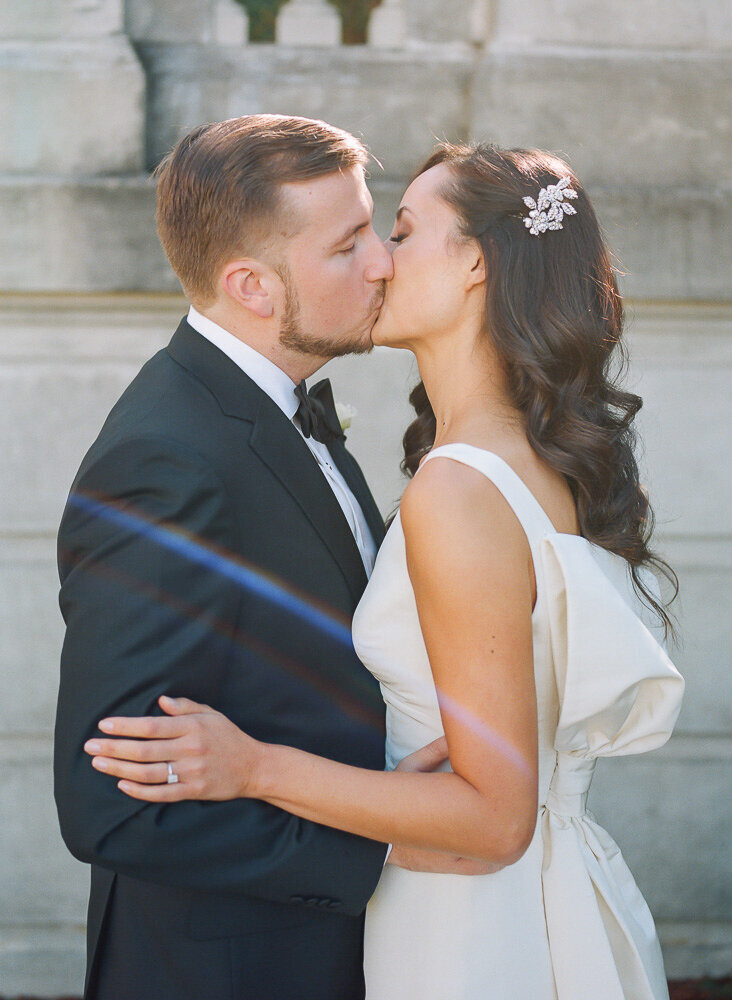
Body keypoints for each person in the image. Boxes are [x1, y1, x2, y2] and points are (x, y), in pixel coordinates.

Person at [82, 143, 685, 999]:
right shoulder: (525, 460)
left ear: (476, 263)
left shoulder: (462, 486)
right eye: (360, 240)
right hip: (514, 894)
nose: (377, 263)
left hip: (466, 920)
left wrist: (255, 768)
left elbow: (494, 814)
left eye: (398, 232)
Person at [54, 115, 471, 1000]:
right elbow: (112, 807)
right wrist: (386, 839)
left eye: (376, 229)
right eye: (348, 243)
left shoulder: (277, 408)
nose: (384, 262)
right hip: (227, 968)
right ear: (251, 285)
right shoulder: (164, 461)